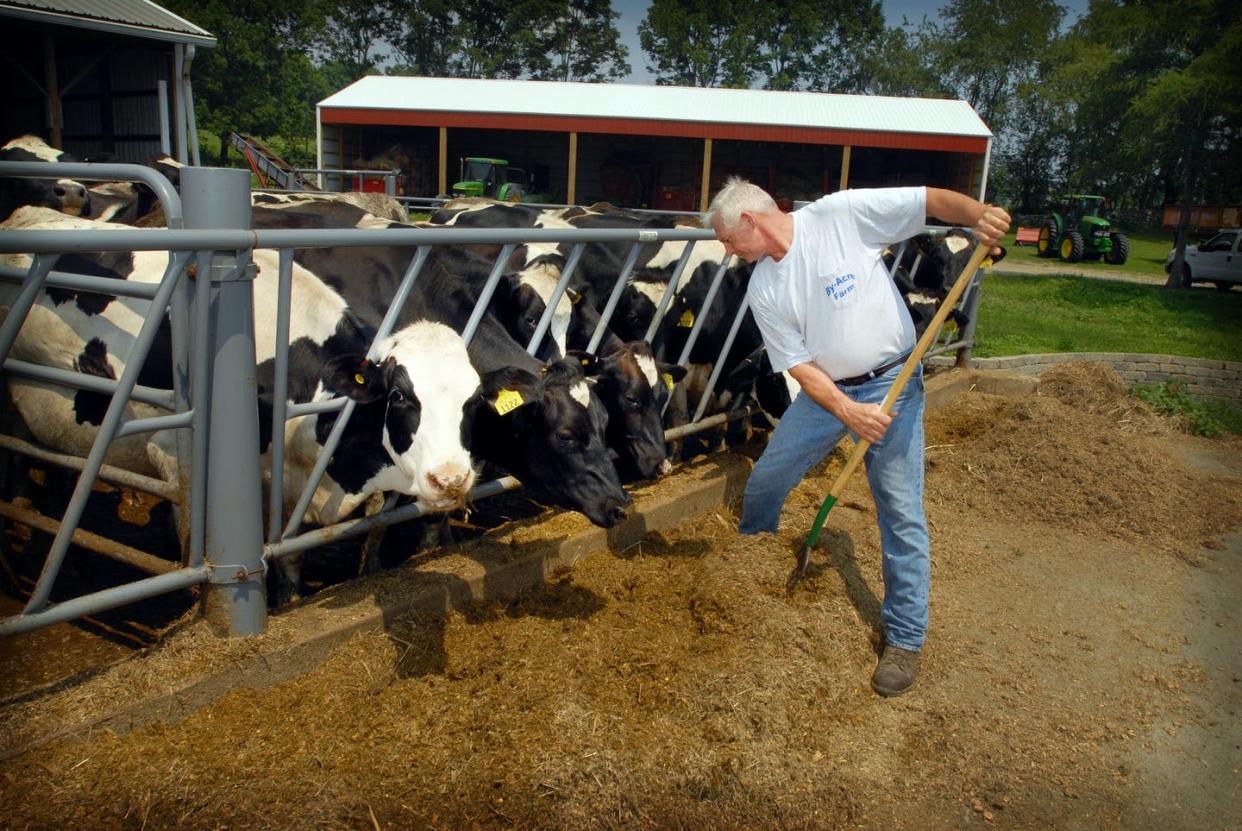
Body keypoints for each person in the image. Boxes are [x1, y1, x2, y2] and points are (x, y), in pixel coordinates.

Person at [704, 178, 1010, 696]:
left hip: (893, 380)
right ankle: (751, 578)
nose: (728, 252)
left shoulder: (840, 216)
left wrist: (980, 215)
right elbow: (798, 366)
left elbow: (929, 201)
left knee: (899, 509)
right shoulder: (763, 287)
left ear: (751, 222)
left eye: (730, 240)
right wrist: (848, 410)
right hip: (828, 396)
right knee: (767, 481)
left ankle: (906, 639)